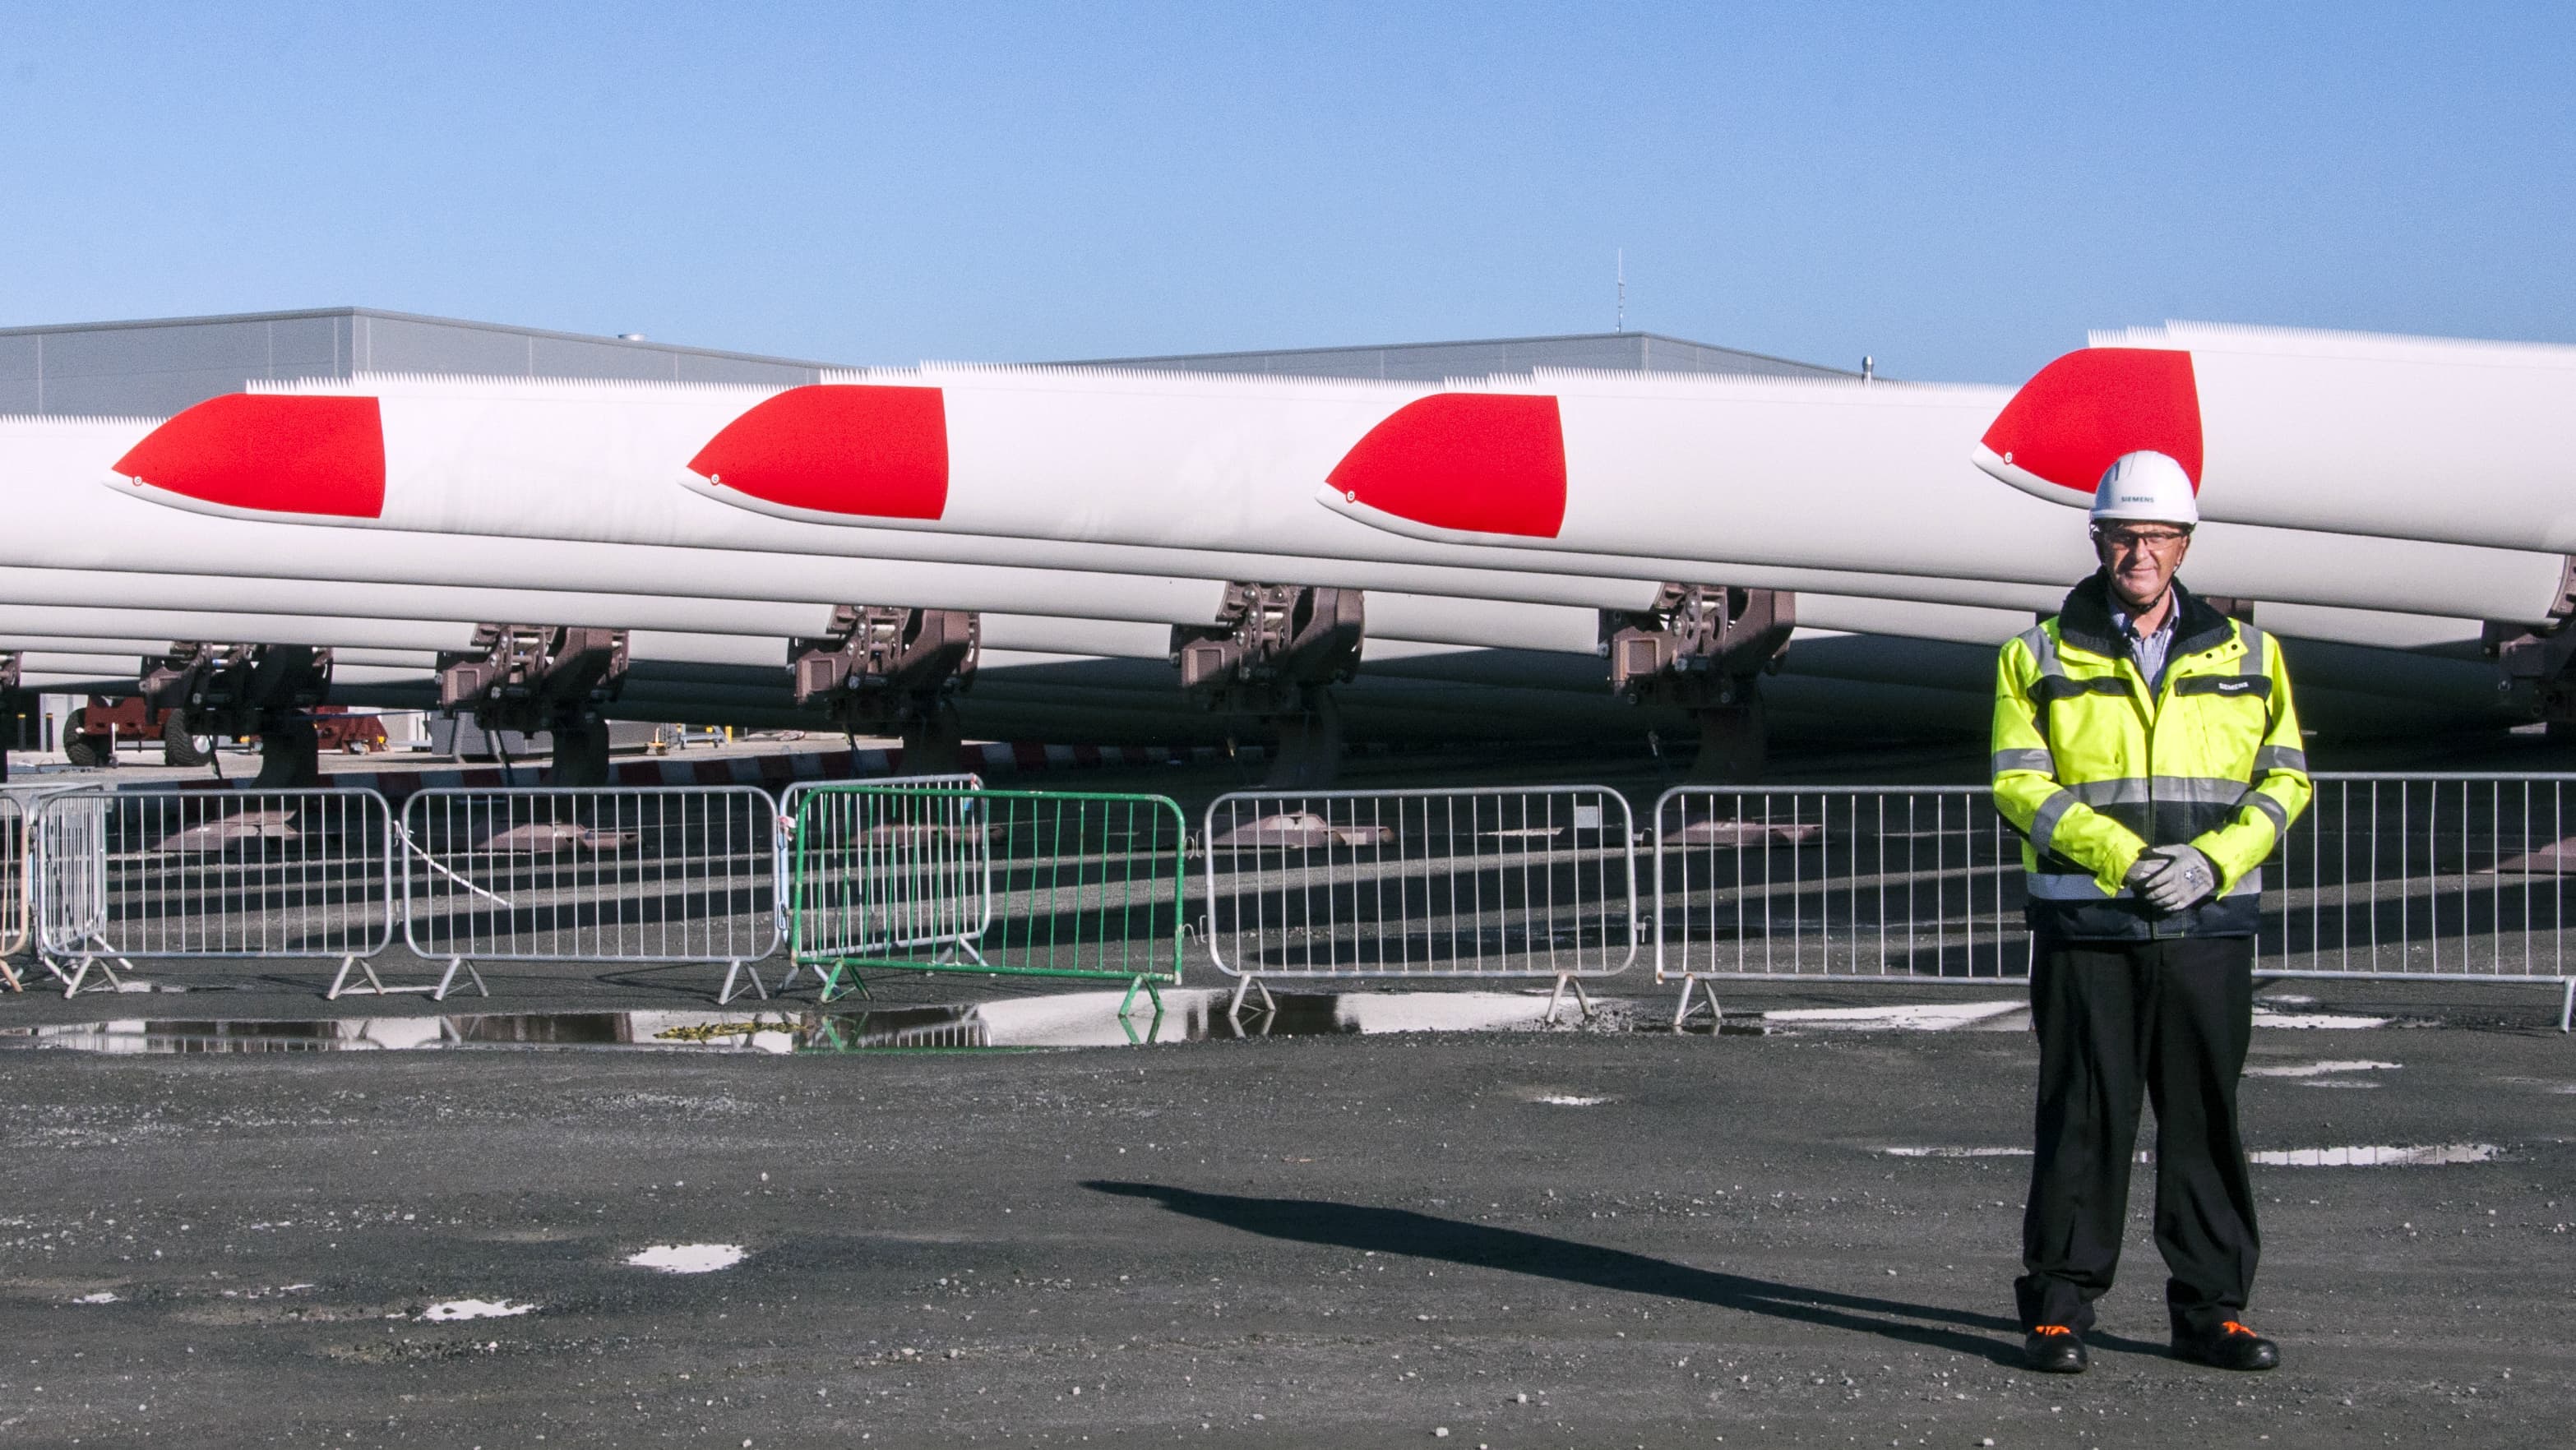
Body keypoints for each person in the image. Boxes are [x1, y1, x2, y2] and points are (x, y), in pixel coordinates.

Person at [1989, 450, 2311, 1375]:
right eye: (2124, 535)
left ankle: (2211, 1313)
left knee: (2203, 1122)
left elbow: (2285, 779)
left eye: (2157, 536)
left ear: (2183, 543)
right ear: (2097, 540)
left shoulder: (2252, 656)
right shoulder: (2036, 654)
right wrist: (2128, 861)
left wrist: (2211, 863)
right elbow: (2020, 784)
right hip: (2089, 928)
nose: (2140, 551)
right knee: (2083, 1118)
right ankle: (2057, 1309)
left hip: (2205, 930)